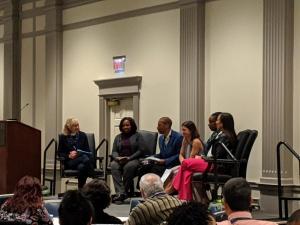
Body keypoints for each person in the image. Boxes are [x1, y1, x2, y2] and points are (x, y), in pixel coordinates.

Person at [172, 113, 237, 201]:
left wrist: (203, 158)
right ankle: (186, 198)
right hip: (209, 161)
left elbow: (217, 155)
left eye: (217, 120)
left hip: (215, 165)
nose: (216, 123)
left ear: (222, 123)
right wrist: (203, 157)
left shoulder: (225, 137)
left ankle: (173, 190)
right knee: (187, 172)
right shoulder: (219, 134)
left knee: (185, 162)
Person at [111, 117, 145, 203]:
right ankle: (120, 193)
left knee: (128, 167)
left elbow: (141, 150)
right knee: (113, 165)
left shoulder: (138, 136)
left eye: (127, 125)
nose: (125, 127)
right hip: (120, 159)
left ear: (132, 125)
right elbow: (114, 151)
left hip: (133, 159)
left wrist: (129, 158)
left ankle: (124, 192)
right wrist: (117, 158)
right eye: (123, 125)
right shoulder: (118, 137)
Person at [164, 120, 204, 194]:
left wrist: (184, 163)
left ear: (191, 130)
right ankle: (164, 191)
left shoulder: (196, 141)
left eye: (184, 130)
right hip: (186, 163)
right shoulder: (185, 139)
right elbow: (181, 154)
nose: (182, 132)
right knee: (170, 171)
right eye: (182, 129)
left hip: (194, 165)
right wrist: (183, 161)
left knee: (176, 172)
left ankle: (167, 193)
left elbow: (192, 159)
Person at [58, 118, 93, 189]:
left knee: (82, 167)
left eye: (78, 125)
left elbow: (88, 150)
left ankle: (81, 190)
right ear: (69, 127)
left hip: (82, 162)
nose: (77, 127)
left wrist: (80, 153)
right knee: (84, 158)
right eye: (74, 126)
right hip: (70, 162)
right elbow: (59, 153)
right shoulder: (63, 137)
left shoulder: (83, 135)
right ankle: (93, 174)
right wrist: (69, 156)